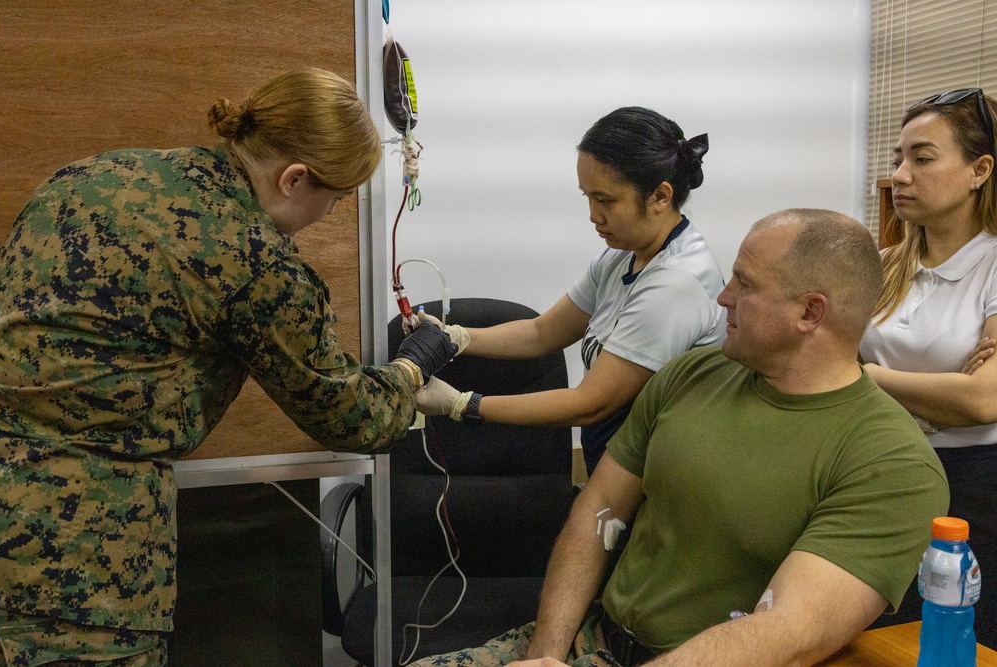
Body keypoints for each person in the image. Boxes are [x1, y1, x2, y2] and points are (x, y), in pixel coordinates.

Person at [0, 68, 455, 666]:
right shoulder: (253, 263)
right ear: (295, 179)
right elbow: (351, 418)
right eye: (335, 199)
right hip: (79, 557)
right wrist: (413, 367)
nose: (332, 213)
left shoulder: (92, 178)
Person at [411, 209, 949, 667]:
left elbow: (788, 633)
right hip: (595, 642)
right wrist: (547, 653)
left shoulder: (892, 464)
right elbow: (598, 510)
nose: (722, 297)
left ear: (810, 312)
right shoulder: (692, 375)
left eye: (746, 284)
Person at [416, 106, 726, 475]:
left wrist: (461, 405)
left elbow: (589, 403)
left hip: (664, 482)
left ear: (660, 196)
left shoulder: (675, 284)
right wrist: (455, 337)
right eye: (588, 198)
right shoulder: (621, 258)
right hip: (619, 468)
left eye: (606, 200)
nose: (594, 215)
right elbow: (540, 333)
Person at [859, 87, 997, 648]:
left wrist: (867, 379)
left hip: (972, 486)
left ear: (979, 169)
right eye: (897, 158)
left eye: (922, 158)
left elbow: (984, 401)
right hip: (882, 466)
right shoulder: (882, 263)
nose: (901, 175)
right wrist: (946, 391)